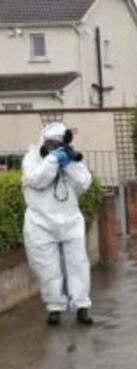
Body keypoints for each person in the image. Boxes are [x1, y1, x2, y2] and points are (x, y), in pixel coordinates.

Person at [22, 122, 94, 326]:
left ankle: (81, 306)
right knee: (48, 268)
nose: (55, 147)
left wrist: (69, 165)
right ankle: (55, 308)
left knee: (78, 264)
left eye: (58, 144)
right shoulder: (32, 158)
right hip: (41, 222)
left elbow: (85, 182)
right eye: (51, 144)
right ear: (43, 142)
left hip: (70, 220)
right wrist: (53, 160)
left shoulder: (69, 158)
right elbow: (36, 180)